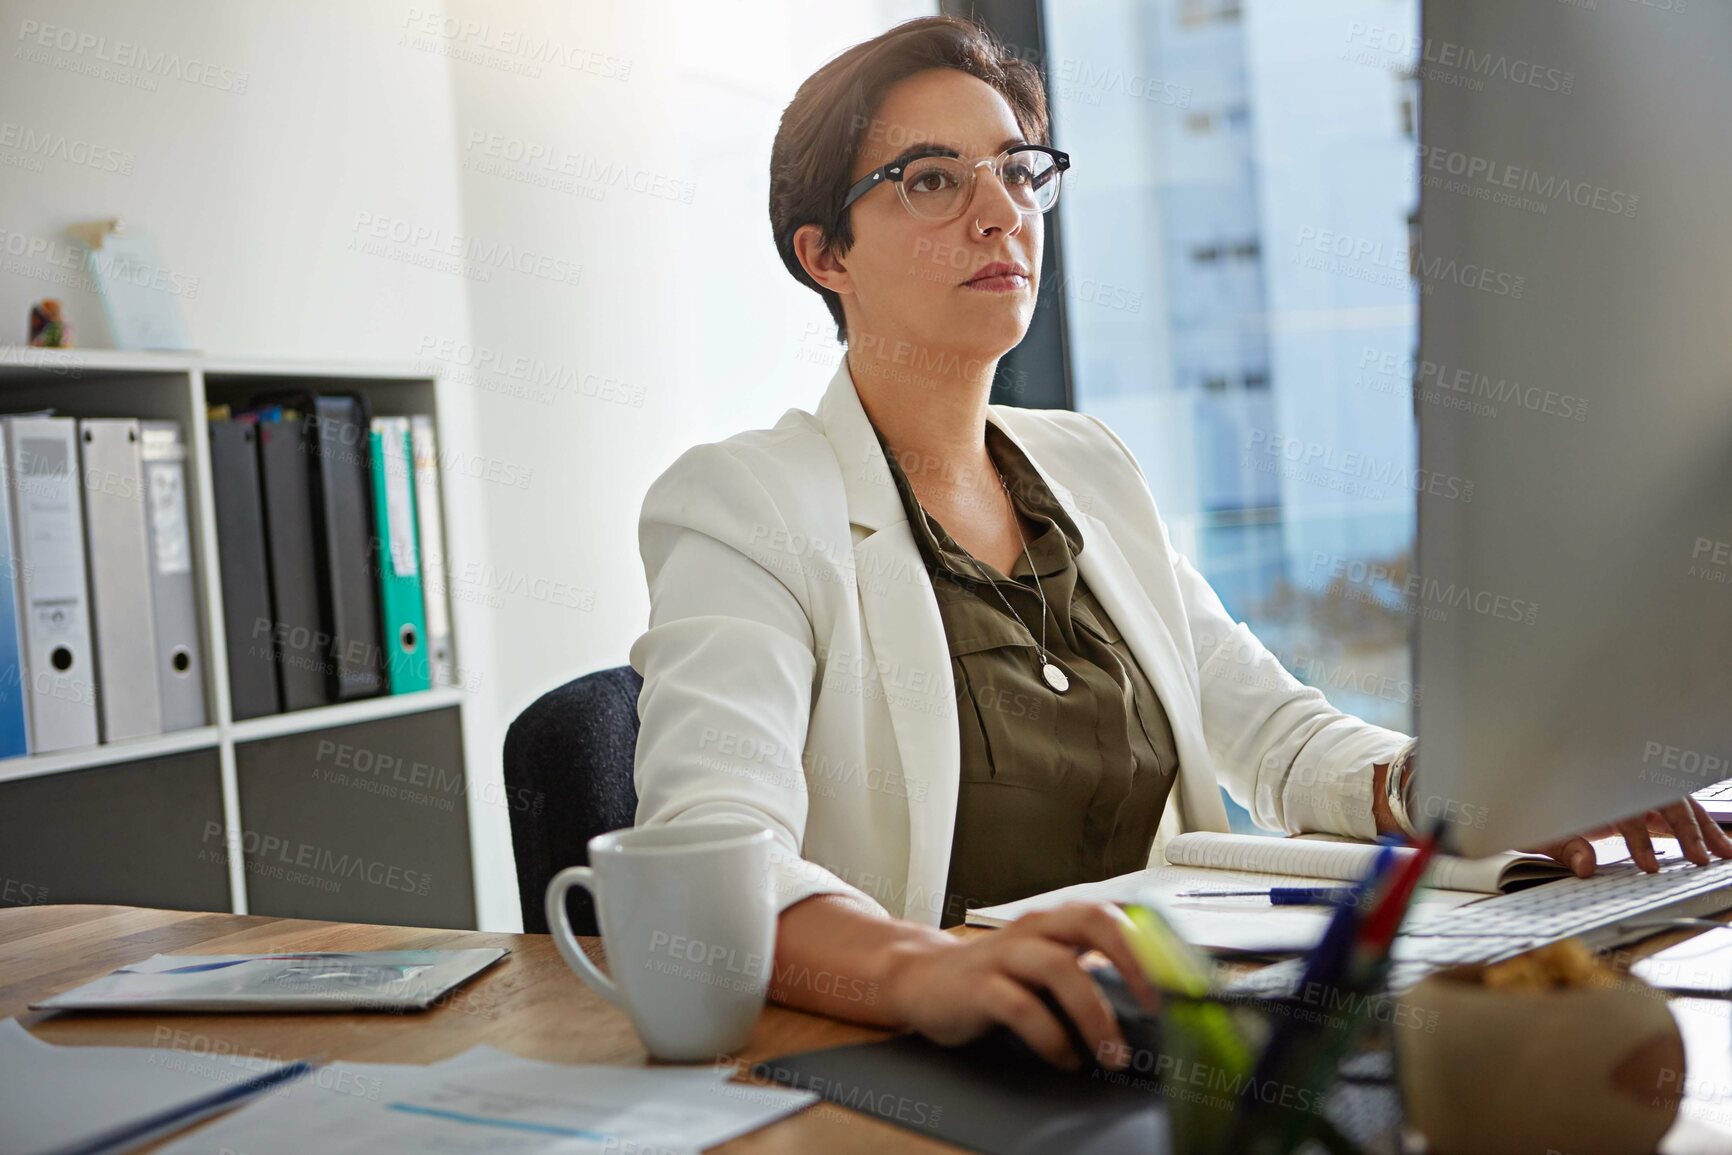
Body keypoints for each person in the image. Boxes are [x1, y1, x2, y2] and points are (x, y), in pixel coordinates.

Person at [628, 15, 1732, 1072]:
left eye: (1018, 170)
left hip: (1172, 1028)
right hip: (938, 1056)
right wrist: (923, 973)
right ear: (825, 254)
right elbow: (713, 854)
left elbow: (1273, 736)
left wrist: (1481, 790)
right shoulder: (743, 503)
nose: (997, 211)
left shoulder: (1086, 466)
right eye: (930, 179)